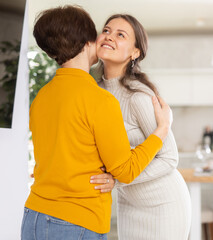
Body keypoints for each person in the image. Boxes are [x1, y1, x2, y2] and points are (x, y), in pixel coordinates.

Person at [22, 6, 172, 240]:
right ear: (87, 43)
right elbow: (126, 170)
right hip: (76, 221)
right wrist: (162, 129)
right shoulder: (100, 100)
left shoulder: (41, 96)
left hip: (34, 215)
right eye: (101, 32)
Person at [91, 14, 191, 240]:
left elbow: (169, 158)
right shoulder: (93, 93)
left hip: (164, 204)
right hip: (128, 203)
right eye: (106, 31)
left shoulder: (138, 96)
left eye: (120, 34)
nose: (109, 37)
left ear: (135, 52)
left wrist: (118, 179)